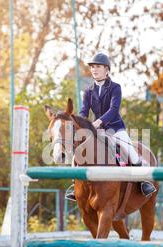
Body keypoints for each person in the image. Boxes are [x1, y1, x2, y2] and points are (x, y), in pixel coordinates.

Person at [65, 52, 156, 201]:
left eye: (98, 66)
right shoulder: (88, 91)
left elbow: (114, 110)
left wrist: (98, 122)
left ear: (106, 69)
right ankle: (74, 185)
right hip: (96, 131)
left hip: (116, 128)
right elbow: (84, 110)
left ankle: (143, 183)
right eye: (93, 67)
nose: (94, 69)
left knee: (132, 153)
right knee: (78, 154)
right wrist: (81, 122)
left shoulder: (115, 87)